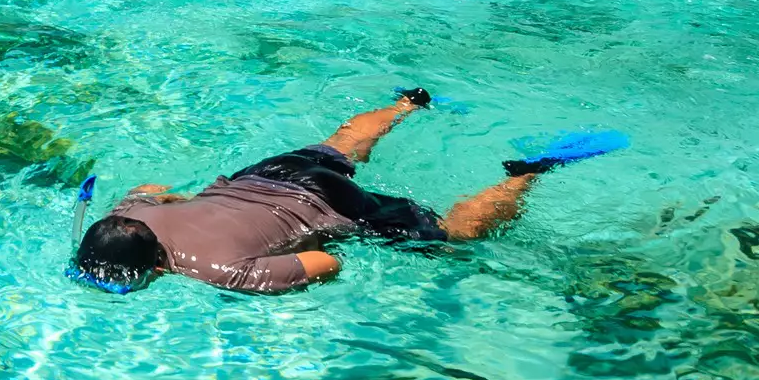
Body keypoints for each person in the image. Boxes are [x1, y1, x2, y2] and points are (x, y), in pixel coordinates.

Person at [71, 88, 570, 294]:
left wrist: (295, 245)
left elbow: (330, 266)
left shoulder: (221, 273)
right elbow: (150, 188)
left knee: (454, 237)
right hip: (267, 175)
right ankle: (408, 103)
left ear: (156, 267)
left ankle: (527, 172)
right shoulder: (129, 213)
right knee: (341, 145)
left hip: (330, 204)